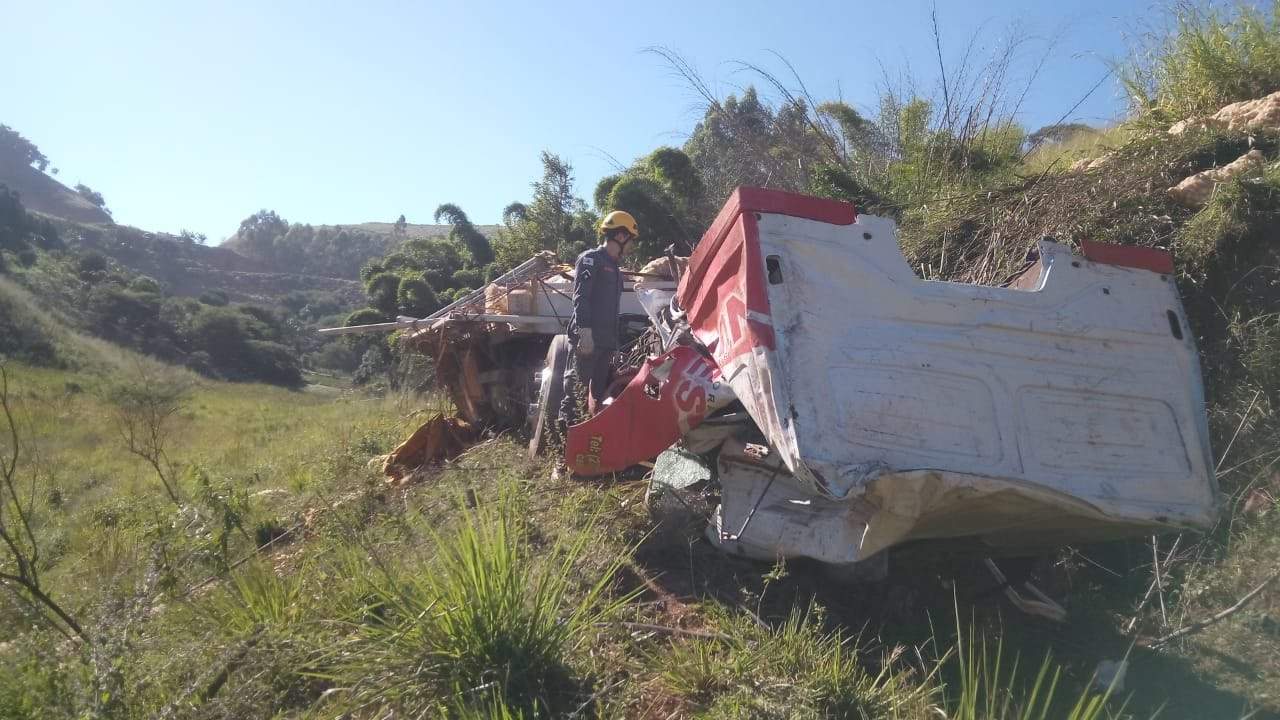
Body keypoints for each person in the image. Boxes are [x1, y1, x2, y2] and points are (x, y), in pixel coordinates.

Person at [557, 210, 638, 432]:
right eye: (630, 239)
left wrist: (614, 345)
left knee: (596, 397)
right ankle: (563, 449)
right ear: (620, 236)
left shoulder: (615, 269)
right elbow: (581, 298)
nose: (631, 246)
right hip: (588, 342)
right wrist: (584, 332)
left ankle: (586, 445)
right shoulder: (591, 259)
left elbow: (612, 309)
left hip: (605, 343)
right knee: (574, 395)